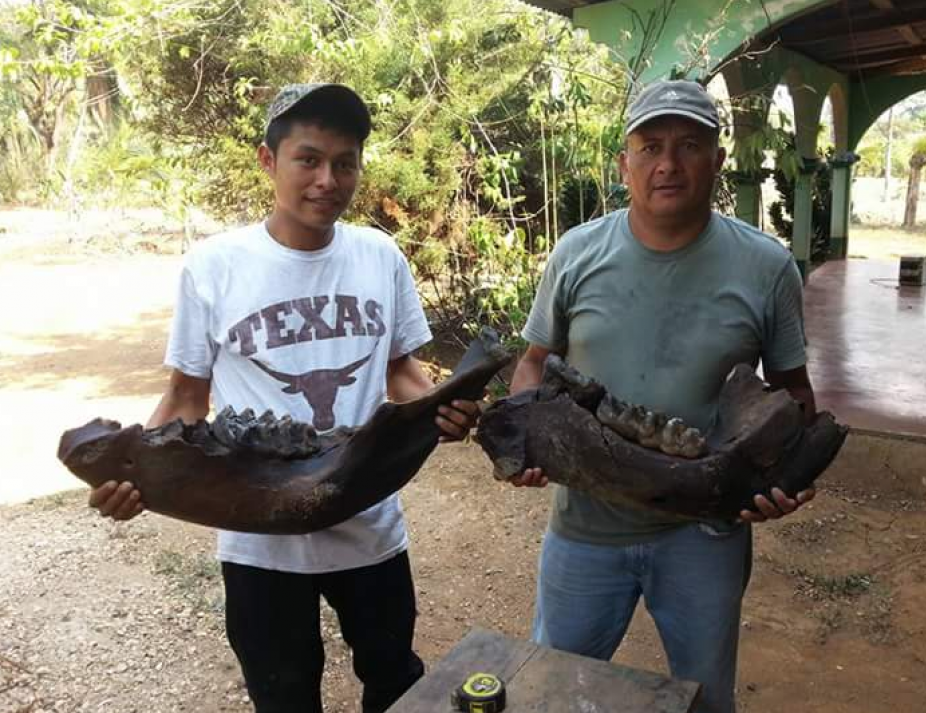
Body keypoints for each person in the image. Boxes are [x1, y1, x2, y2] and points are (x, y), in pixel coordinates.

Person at [87, 83, 479, 713]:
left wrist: (442, 408)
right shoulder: (214, 266)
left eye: (345, 162)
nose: (328, 179)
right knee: (284, 696)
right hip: (256, 536)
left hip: (367, 523)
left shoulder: (379, 256)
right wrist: (136, 475)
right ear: (269, 161)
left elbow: (402, 371)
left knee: (395, 680)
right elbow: (187, 398)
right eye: (309, 159)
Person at [506, 80, 816, 713]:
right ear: (625, 164)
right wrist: (527, 435)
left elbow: (793, 396)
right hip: (585, 529)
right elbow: (533, 364)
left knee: (704, 698)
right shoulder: (577, 254)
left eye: (689, 145)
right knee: (554, 689)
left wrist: (788, 478)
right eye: (649, 147)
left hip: (705, 532)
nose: (667, 164)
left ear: (718, 160)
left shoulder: (766, 266)